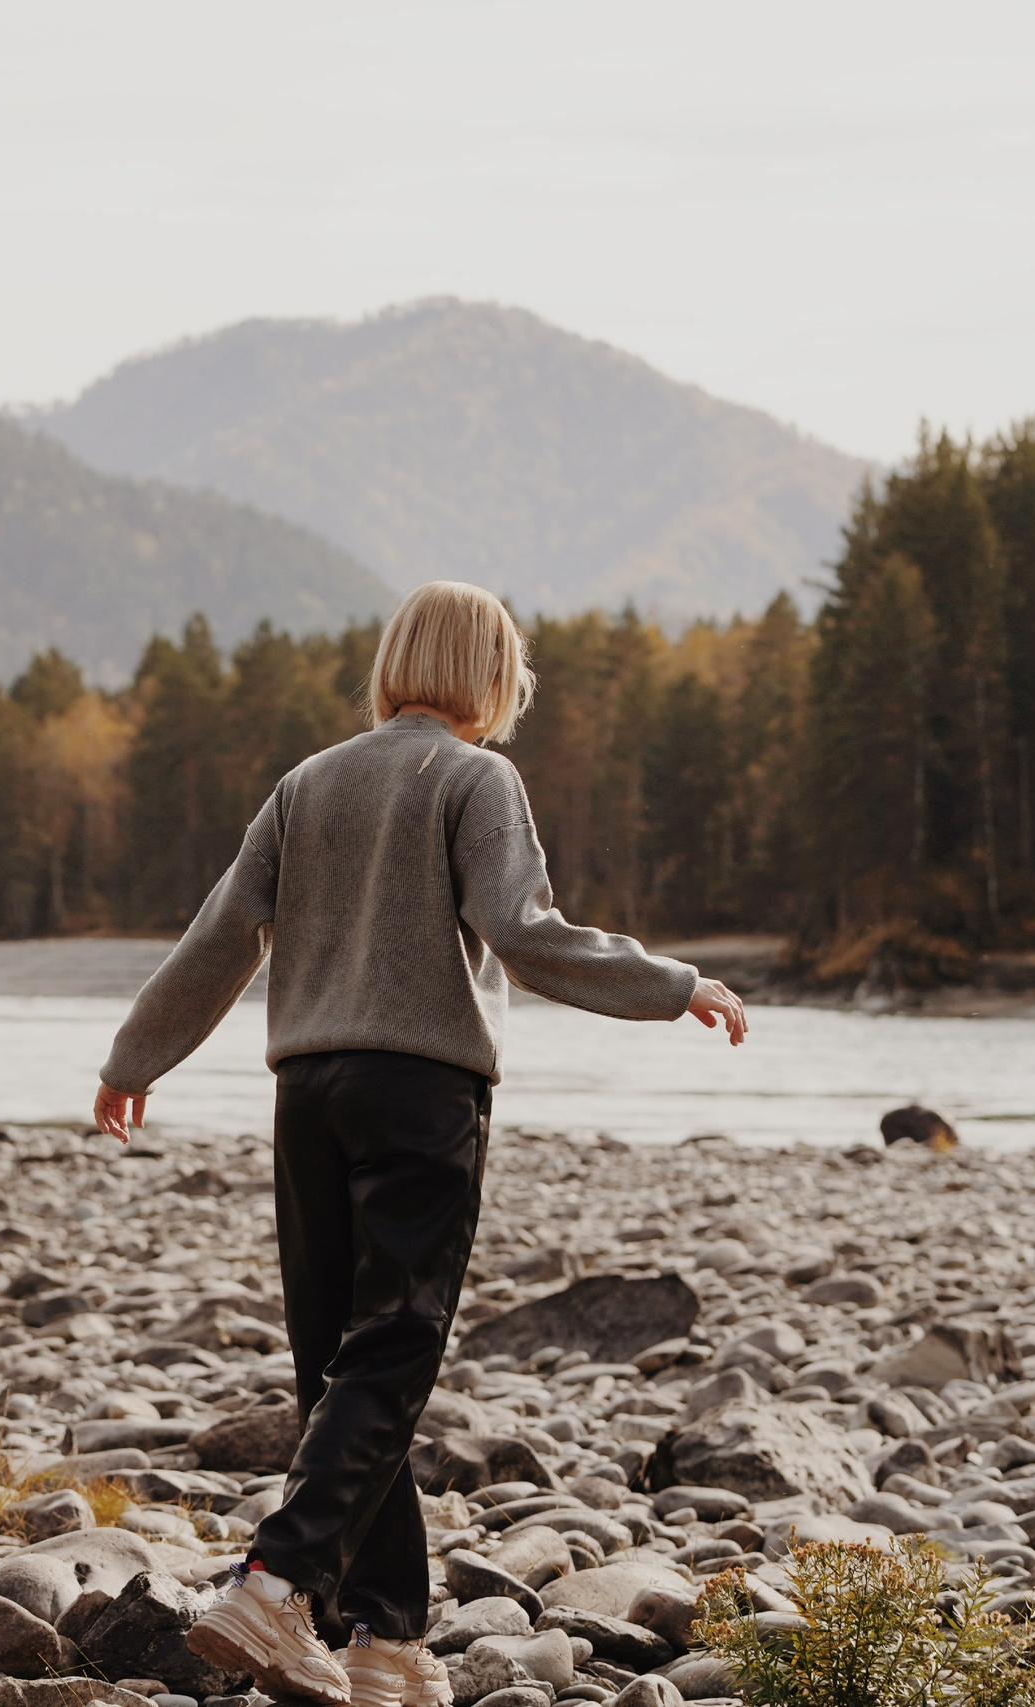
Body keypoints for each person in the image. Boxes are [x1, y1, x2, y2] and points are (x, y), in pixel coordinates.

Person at [92, 581, 747, 1707]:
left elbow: (221, 933)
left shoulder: (307, 783)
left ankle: (384, 1644)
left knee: (338, 1362)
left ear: (395, 663)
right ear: (494, 679)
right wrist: (672, 983)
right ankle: (277, 1578)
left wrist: (132, 1056)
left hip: (308, 1089)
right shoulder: (475, 777)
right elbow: (523, 934)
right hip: (421, 1089)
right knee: (393, 1349)